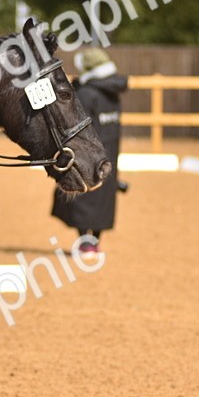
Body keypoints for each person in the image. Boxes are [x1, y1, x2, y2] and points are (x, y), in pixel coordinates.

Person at [51, 46, 128, 259]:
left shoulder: (86, 94)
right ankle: (94, 242)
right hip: (110, 151)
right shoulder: (112, 92)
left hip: (86, 154)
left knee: (83, 192)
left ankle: (85, 242)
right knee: (104, 195)